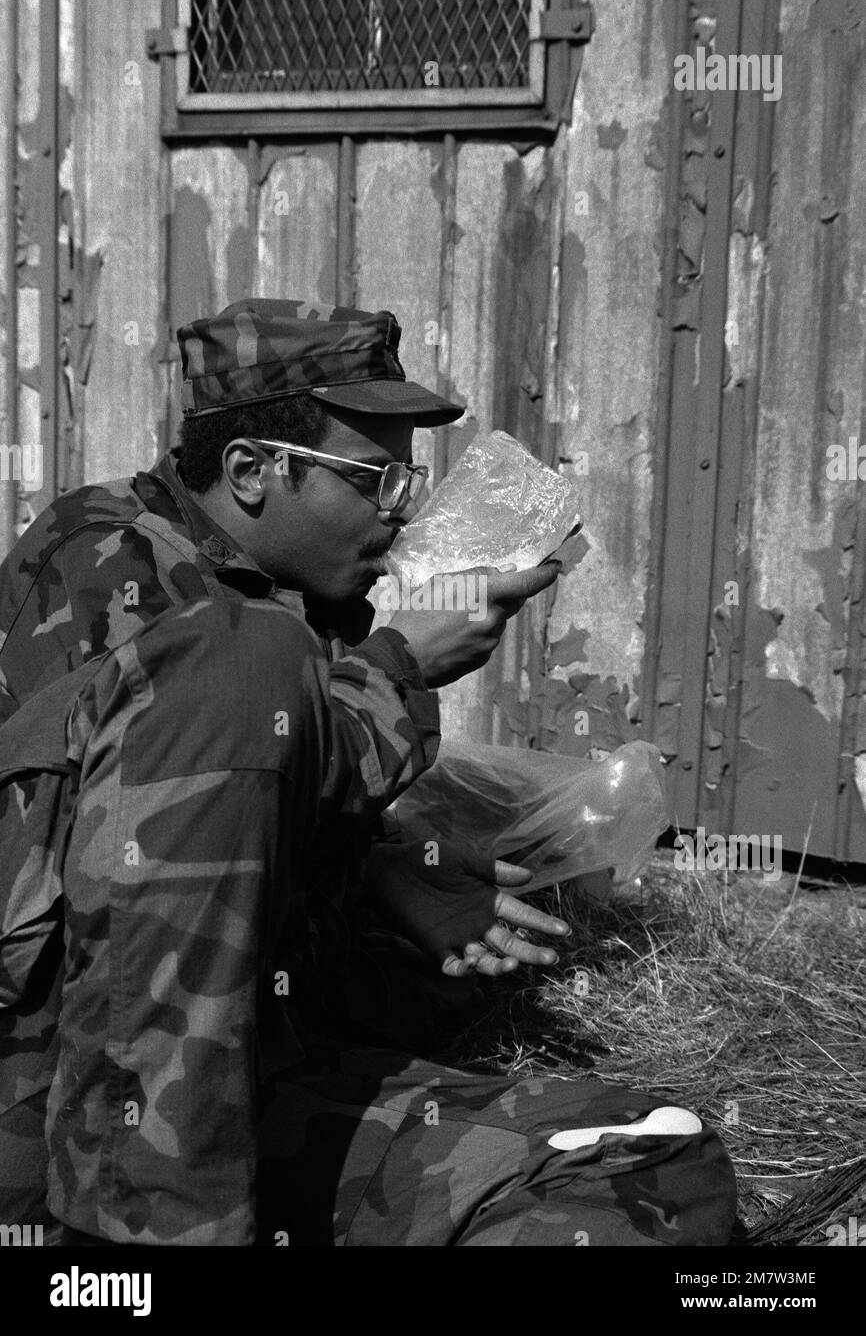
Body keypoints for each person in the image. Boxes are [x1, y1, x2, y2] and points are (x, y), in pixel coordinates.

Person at [0, 299, 737, 1245]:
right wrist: (398, 666)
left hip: (235, 1079)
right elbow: (182, 795)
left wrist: (385, 864)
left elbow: (228, 813)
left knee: (646, 1168)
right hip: (77, 1125)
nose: (404, 513)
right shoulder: (108, 562)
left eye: (410, 480)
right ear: (251, 470)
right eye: (378, 480)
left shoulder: (275, 592)